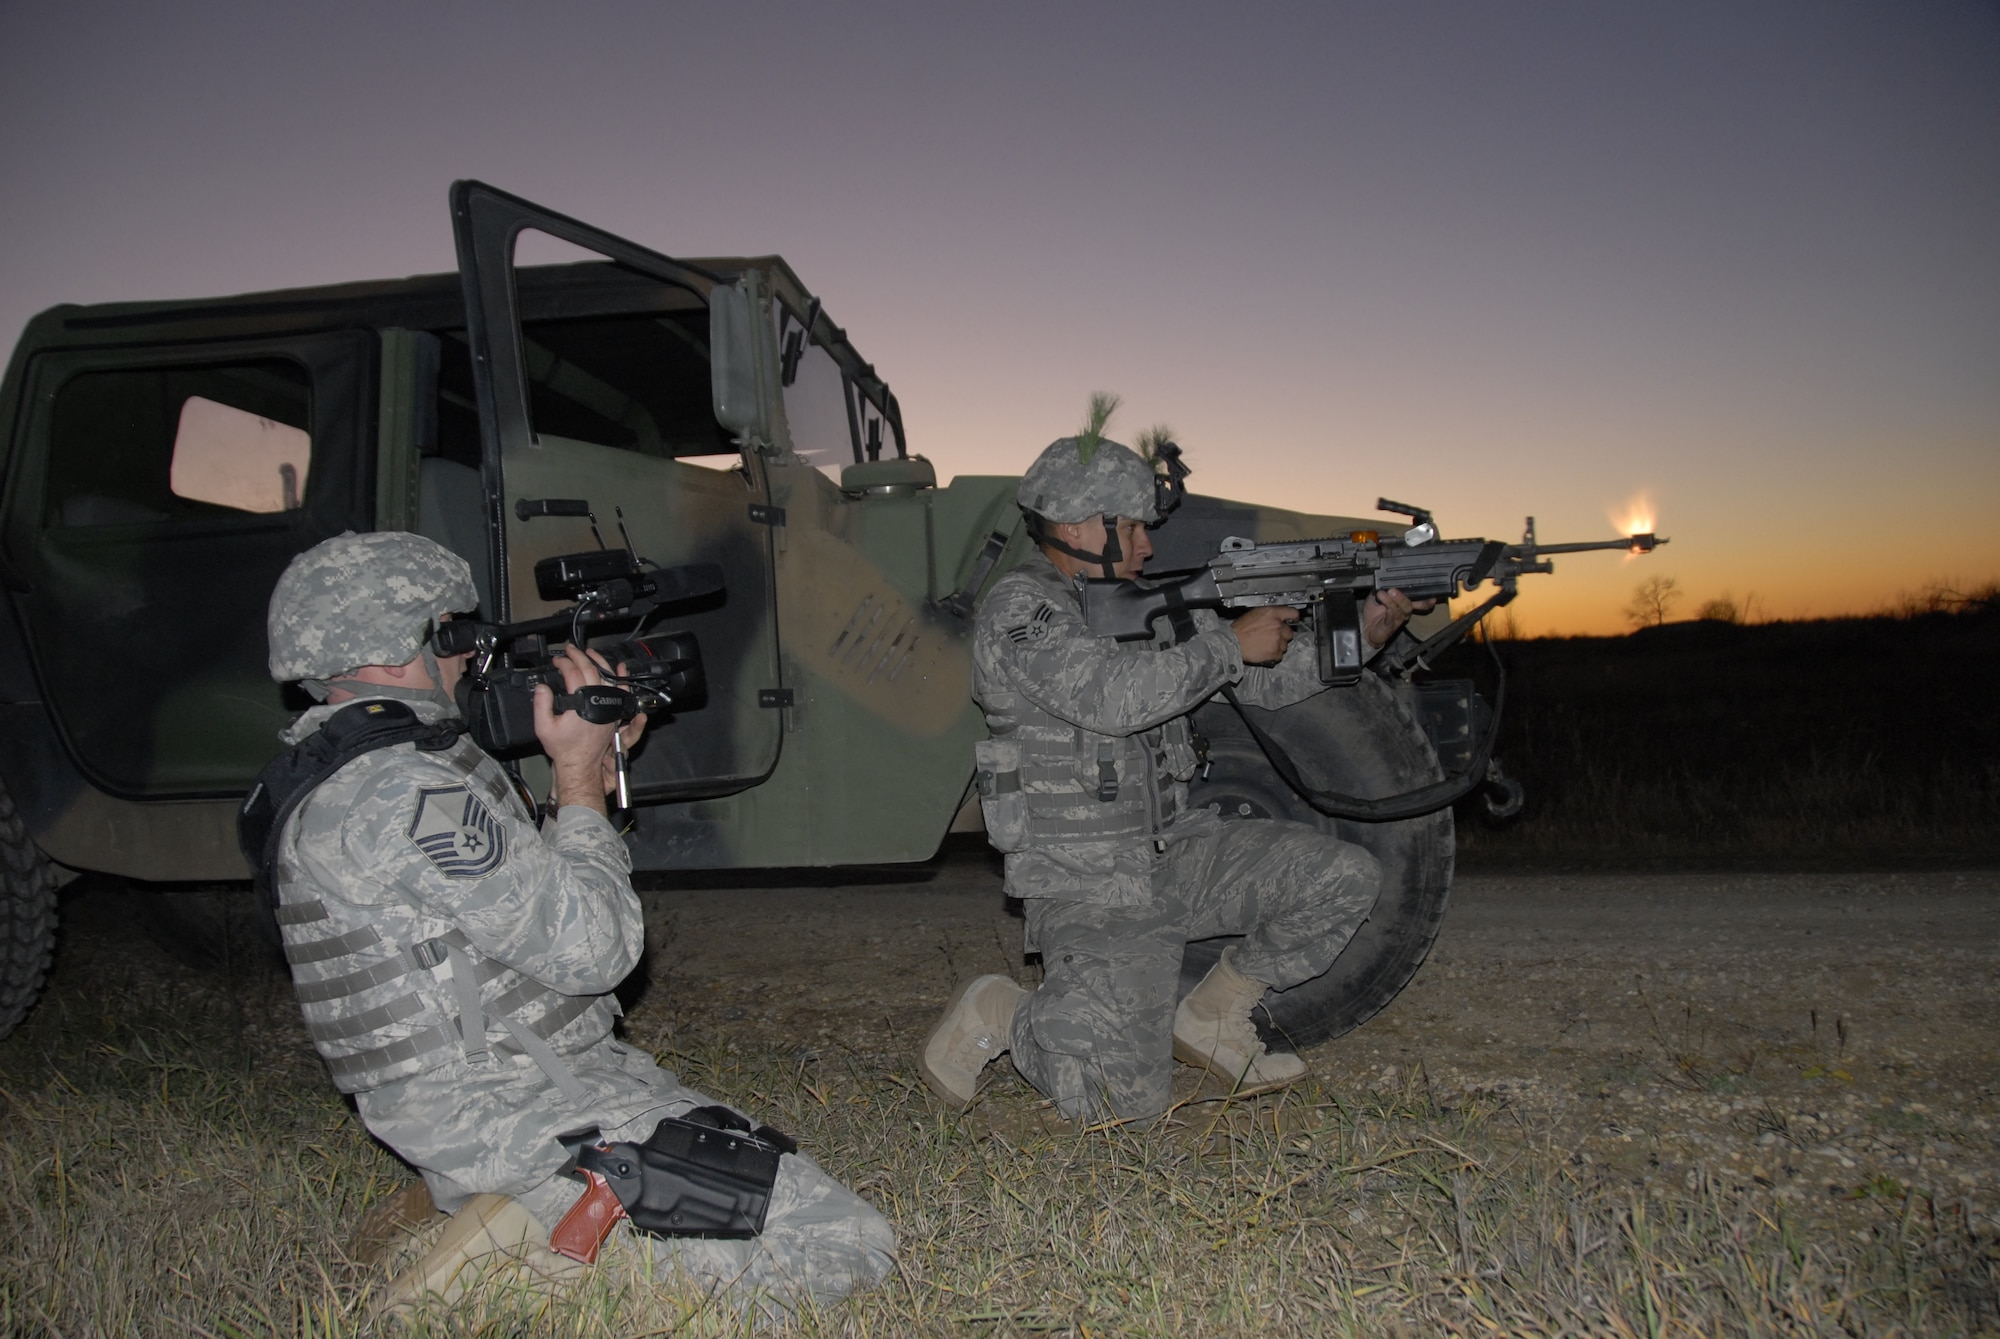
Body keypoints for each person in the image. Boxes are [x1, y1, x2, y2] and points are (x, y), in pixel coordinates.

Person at [260, 530, 894, 1317]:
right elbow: (593, 950)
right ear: (400, 643)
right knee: (848, 1248)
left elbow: (514, 908)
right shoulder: (400, 790)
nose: (469, 654)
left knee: (753, 1164)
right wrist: (575, 777)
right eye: (451, 632)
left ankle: (506, 1214)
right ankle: (507, 1274)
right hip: (503, 1103)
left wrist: (590, 769)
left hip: (535, 1074)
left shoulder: (371, 769)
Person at [918, 423, 1426, 1124]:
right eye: (1130, 527)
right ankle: (1006, 1013)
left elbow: (1267, 683)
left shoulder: (1142, 607)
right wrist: (1226, 642)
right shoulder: (1020, 610)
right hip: (1087, 880)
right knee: (1119, 1108)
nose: (1149, 545)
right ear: (1075, 524)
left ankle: (1214, 1013)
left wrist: (1368, 630)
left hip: (1171, 852)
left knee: (1343, 877)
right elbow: (1110, 698)